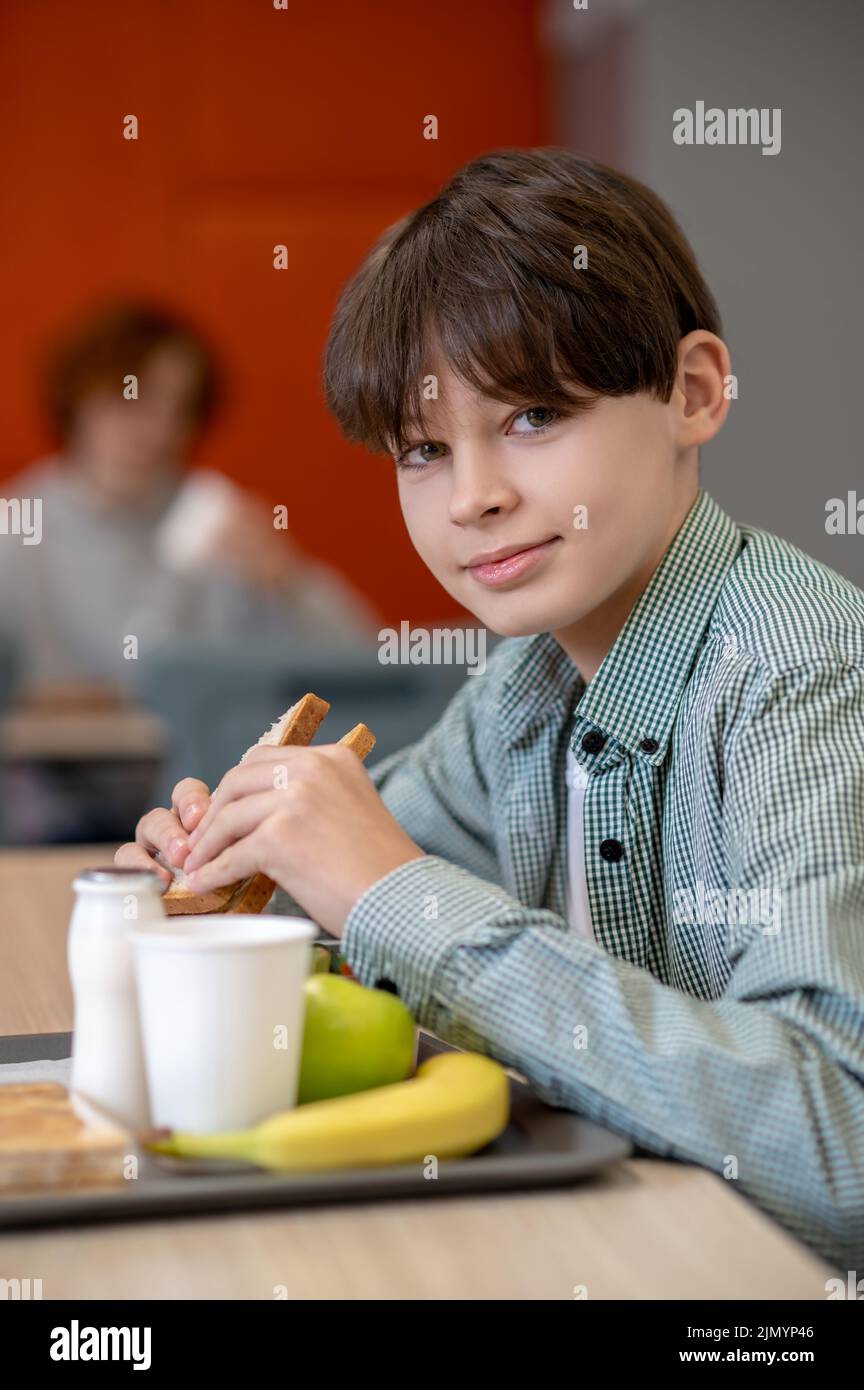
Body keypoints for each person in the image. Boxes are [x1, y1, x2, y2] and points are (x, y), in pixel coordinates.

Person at [116, 149, 864, 1270]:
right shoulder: (525, 685)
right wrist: (228, 880)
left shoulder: (805, 673)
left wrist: (388, 890)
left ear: (695, 392)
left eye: (532, 416)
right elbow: (344, 911)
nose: (473, 497)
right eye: (424, 448)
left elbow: (838, 1149)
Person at [0, 300, 378, 700]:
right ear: (78, 399)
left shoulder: (221, 527)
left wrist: (290, 581)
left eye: (178, 410)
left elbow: (363, 664)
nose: (159, 431)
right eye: (133, 398)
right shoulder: (16, 529)